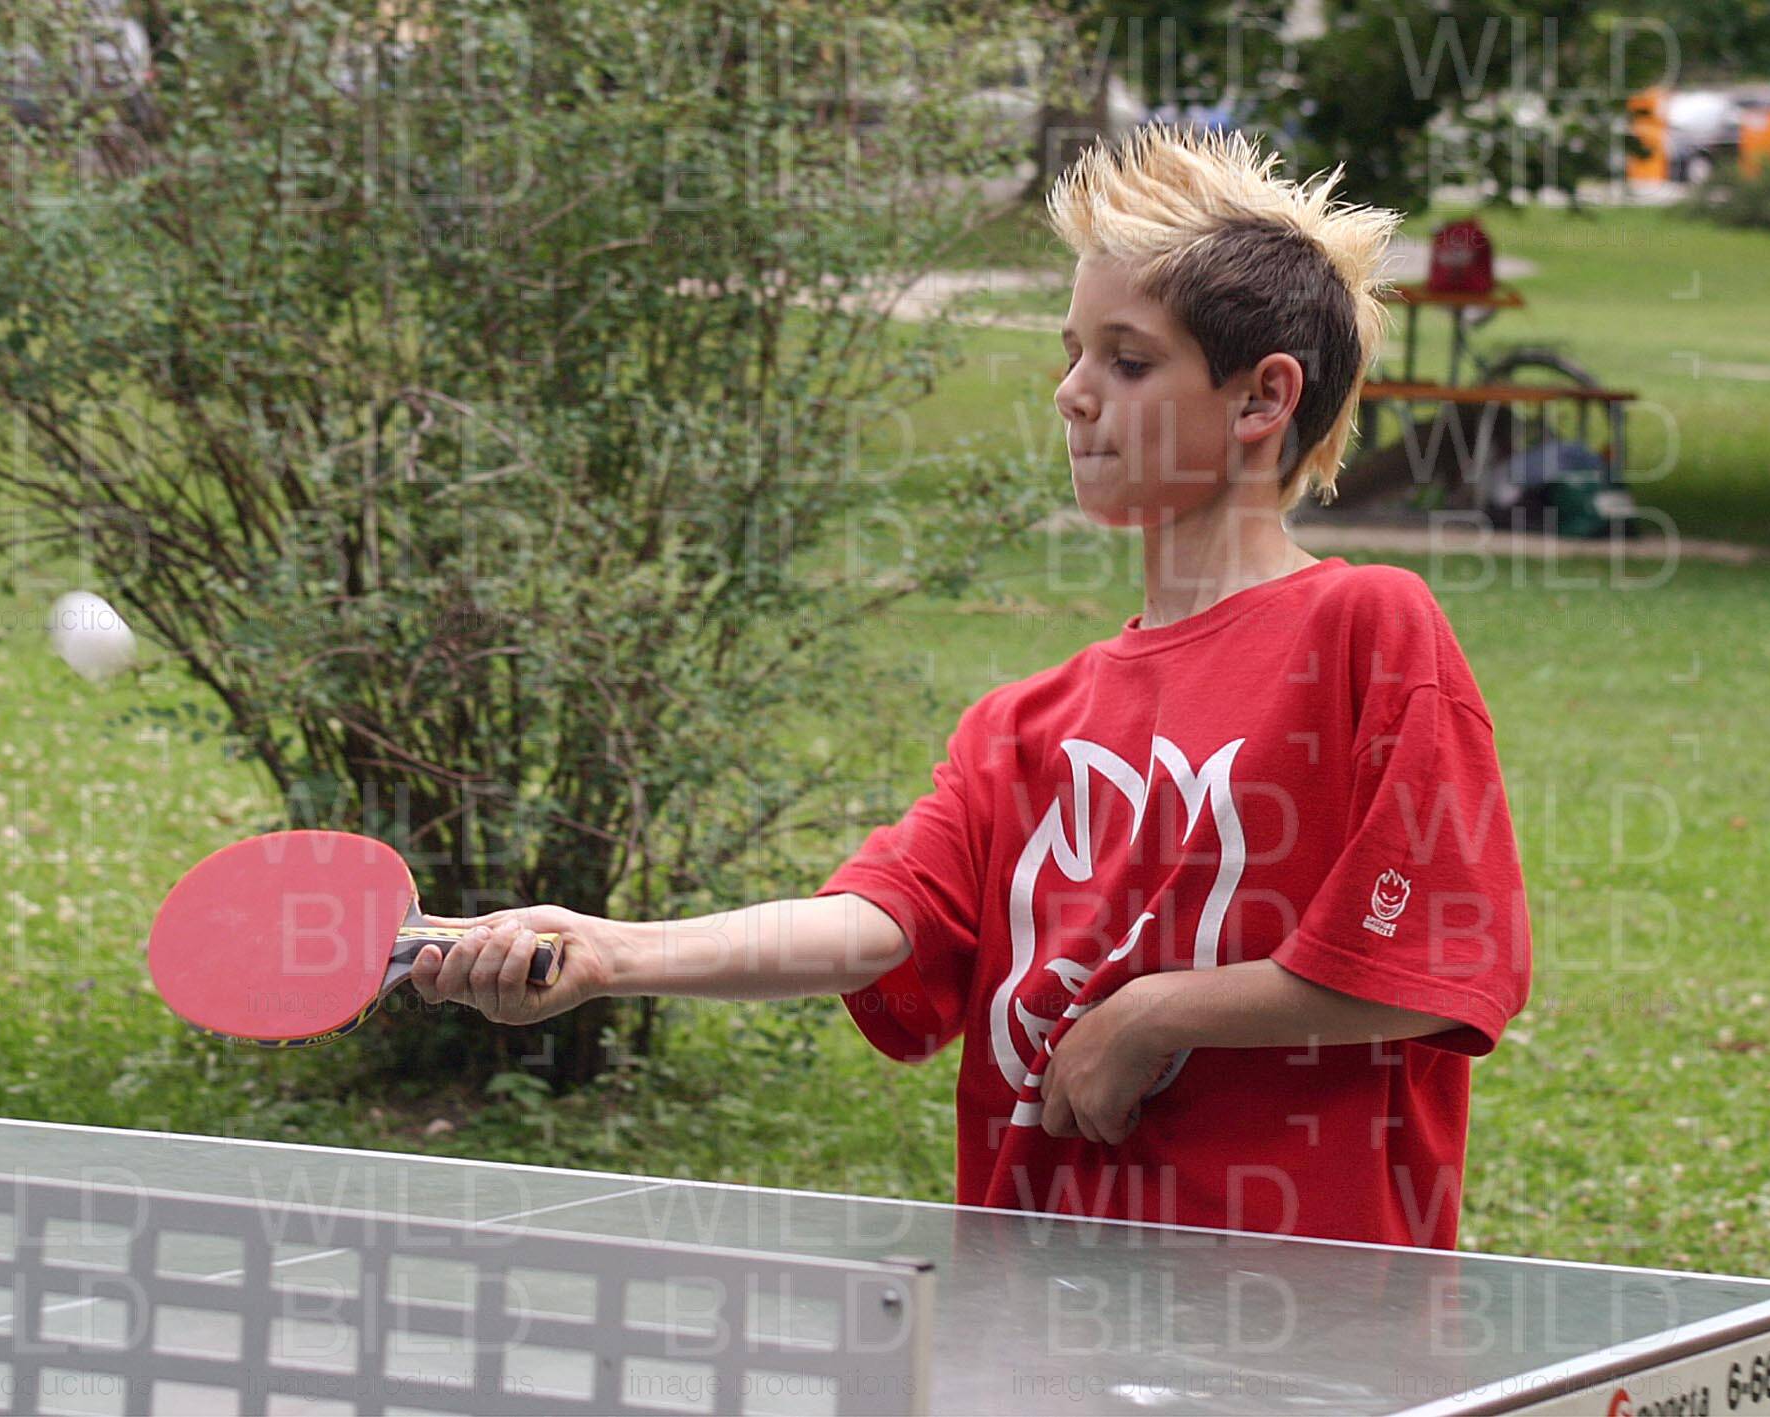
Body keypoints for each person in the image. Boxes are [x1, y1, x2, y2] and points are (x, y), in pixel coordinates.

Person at [415, 123, 1531, 1251]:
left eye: (1127, 360)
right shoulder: (1023, 723)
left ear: (1261, 399)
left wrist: (1149, 1017)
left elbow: (1429, 965)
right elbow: (876, 923)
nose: (1071, 394)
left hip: (1304, 1312)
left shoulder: (1364, 629)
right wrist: (609, 949)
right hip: (1038, 1299)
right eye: (1071, 353)